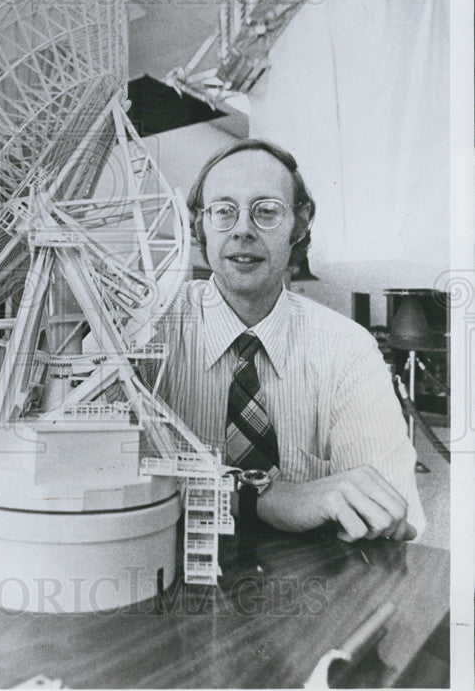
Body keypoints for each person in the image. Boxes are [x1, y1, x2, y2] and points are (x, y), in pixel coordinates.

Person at [155, 137, 424, 541]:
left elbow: (388, 515)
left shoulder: (347, 349)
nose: (243, 229)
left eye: (266, 211)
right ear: (200, 226)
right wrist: (263, 497)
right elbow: (96, 481)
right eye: (224, 211)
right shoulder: (146, 328)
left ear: (298, 225)